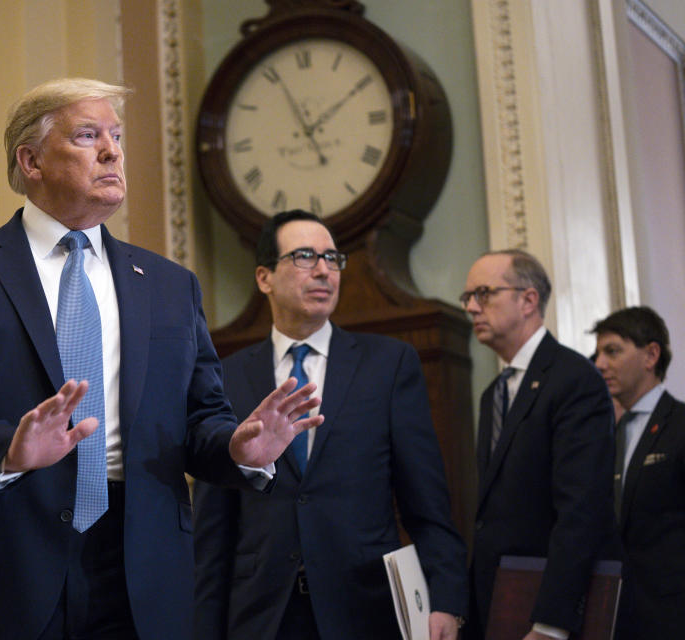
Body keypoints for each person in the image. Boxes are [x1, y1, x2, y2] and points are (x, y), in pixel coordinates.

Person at [0, 78, 323, 640]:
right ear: (32, 159)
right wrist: (7, 448)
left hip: (140, 562)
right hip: (3, 554)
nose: (113, 151)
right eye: (88, 136)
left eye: (115, 136)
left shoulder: (169, 285)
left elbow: (199, 419)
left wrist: (240, 448)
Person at [193, 210, 468, 640]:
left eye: (332, 258)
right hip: (262, 616)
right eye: (304, 256)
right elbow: (212, 532)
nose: (324, 270)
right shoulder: (226, 378)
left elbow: (427, 502)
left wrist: (446, 600)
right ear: (264, 277)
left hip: (366, 610)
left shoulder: (388, 366)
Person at [461, 249, 616, 640]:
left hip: (545, 611)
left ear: (528, 300)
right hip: (496, 604)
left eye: (483, 293)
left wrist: (552, 622)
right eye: (468, 298)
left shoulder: (573, 379)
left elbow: (581, 510)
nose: (472, 308)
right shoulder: (493, 392)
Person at [592, 306, 685, 638]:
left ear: (651, 355)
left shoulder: (680, 425)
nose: (600, 363)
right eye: (597, 353)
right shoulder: (604, 435)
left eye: (612, 351)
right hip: (615, 617)